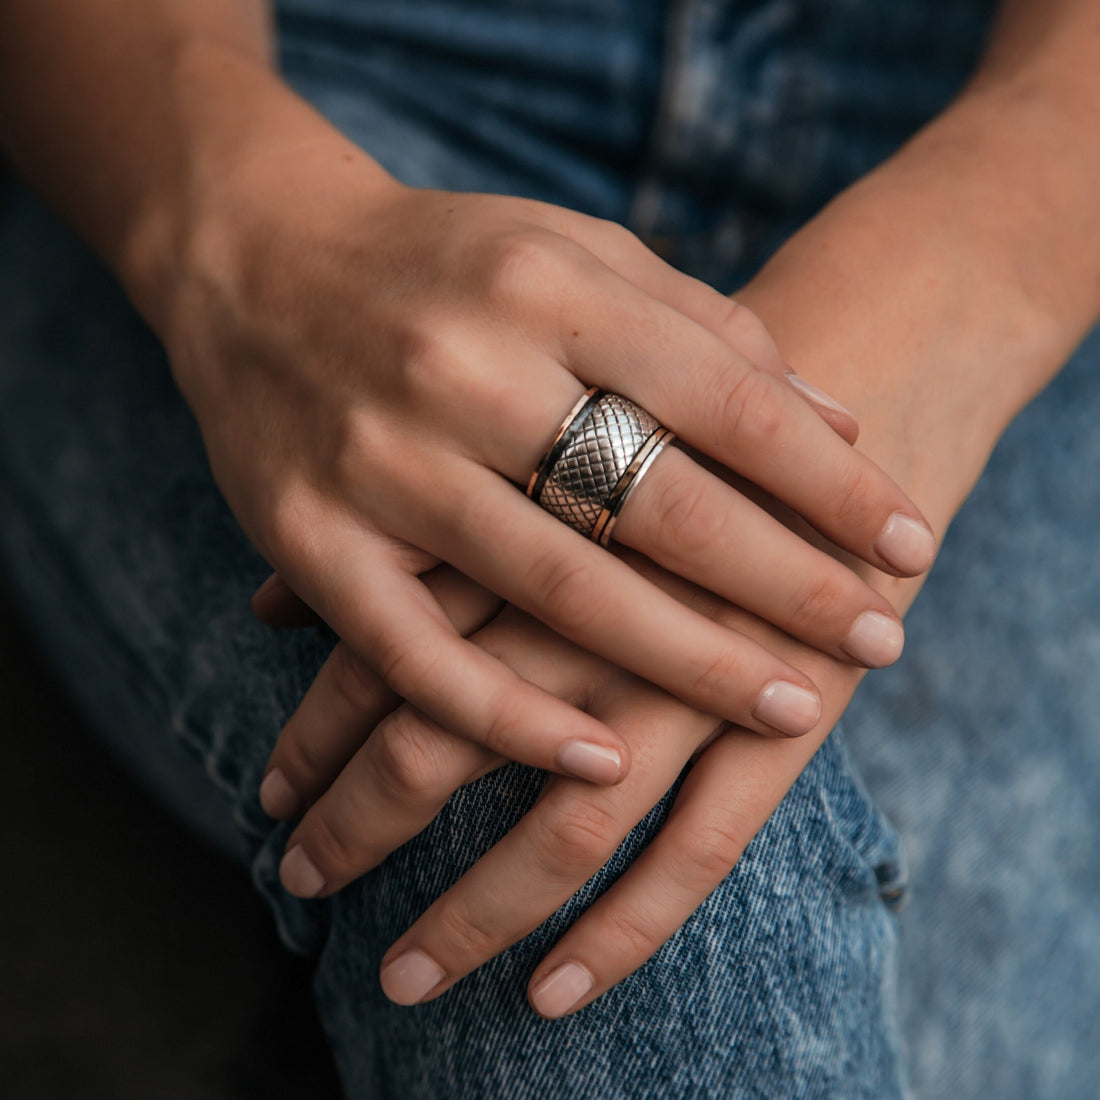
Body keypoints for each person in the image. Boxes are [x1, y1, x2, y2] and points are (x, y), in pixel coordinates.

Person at [0, 0, 1097, 1096]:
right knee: (547, 772)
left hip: (1011, 122)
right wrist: (241, 223)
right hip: (302, 77)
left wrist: (974, 255)